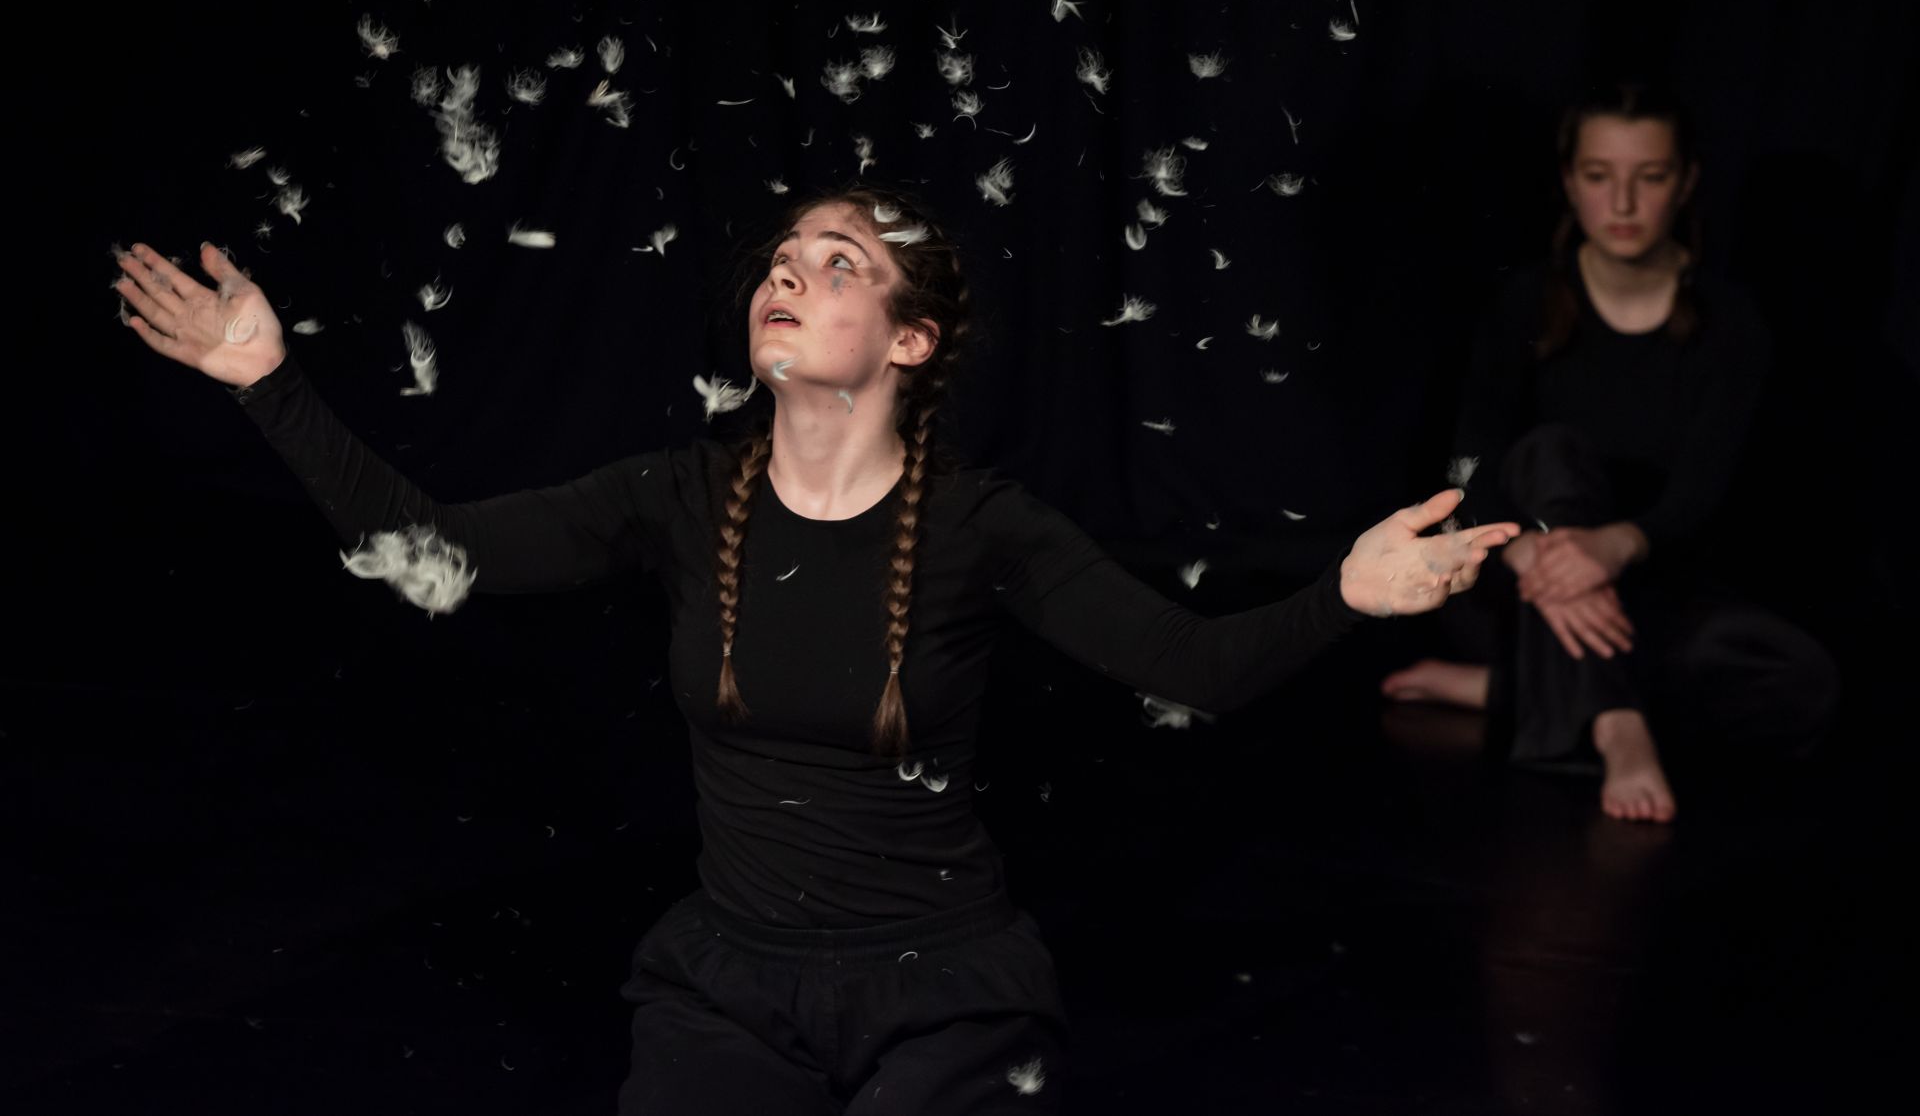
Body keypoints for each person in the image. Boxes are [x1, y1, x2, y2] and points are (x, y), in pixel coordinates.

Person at [112, 186, 1516, 1114]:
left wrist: (1346, 591)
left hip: (946, 999)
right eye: (783, 262)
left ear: (909, 339)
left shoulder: (980, 524)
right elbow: (428, 553)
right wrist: (270, 384)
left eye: (840, 265)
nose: (791, 274)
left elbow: (1194, 667)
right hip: (732, 991)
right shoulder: (678, 495)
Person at [1378, 83, 1839, 824]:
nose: (1623, 202)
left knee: (1803, 683)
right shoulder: (1525, 302)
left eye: (1649, 177)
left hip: (1646, 592)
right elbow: (1473, 467)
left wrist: (1616, 547)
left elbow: (1704, 490)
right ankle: (1618, 723)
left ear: (1684, 182)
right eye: (1599, 175)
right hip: (1522, 588)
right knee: (1554, 452)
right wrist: (1534, 554)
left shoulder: (1732, 322)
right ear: (1570, 181)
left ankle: (1509, 692)